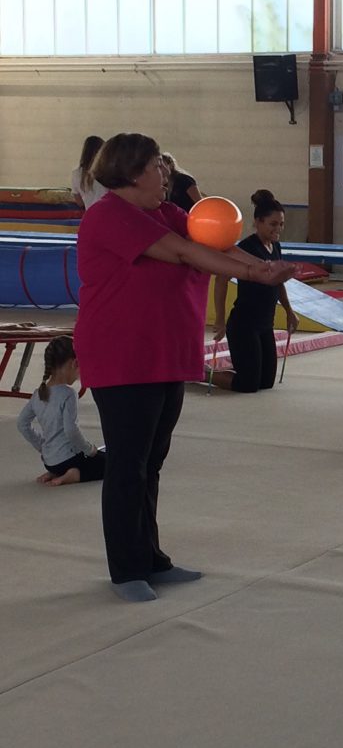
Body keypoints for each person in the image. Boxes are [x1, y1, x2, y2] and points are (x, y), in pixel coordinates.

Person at [75, 133, 295, 603]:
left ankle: (151, 557)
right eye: (157, 167)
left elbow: (218, 243)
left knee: (151, 462)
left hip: (165, 353)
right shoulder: (109, 216)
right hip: (123, 356)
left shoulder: (168, 211)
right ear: (131, 172)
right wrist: (256, 274)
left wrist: (256, 264)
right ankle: (126, 568)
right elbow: (181, 252)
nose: (166, 174)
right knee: (128, 466)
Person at [211, 190, 299, 392]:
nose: (278, 229)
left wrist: (289, 311)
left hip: (264, 324)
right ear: (258, 222)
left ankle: (243, 363)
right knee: (248, 384)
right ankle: (204, 373)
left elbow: (278, 282)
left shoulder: (275, 246)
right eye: (273, 224)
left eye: (281, 224)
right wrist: (220, 319)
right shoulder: (246, 248)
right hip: (244, 324)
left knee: (266, 383)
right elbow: (221, 280)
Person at [17, 335, 106, 486]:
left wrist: (42, 446)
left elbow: (22, 424)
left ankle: (55, 472)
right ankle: (72, 475)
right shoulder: (68, 394)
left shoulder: (38, 393)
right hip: (68, 459)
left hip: (49, 460)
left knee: (89, 457)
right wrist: (89, 449)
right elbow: (71, 430)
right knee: (109, 464)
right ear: (74, 363)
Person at [70, 135, 107, 210]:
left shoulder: (76, 172)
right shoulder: (107, 170)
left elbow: (78, 200)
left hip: (90, 214)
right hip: (108, 213)